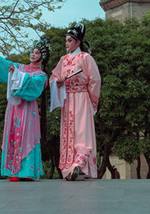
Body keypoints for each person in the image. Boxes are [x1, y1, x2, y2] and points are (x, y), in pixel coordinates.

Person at [0, 37, 50, 181]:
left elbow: (34, 86)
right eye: (32, 52)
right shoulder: (20, 67)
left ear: (43, 57)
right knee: (12, 133)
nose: (33, 54)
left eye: (37, 53)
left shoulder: (41, 76)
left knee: (27, 136)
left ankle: (27, 171)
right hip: (14, 108)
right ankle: (14, 172)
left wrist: (16, 74)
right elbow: (3, 64)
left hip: (28, 109)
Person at [50, 23, 101, 181]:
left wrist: (93, 102)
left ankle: (81, 166)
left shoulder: (86, 58)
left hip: (81, 98)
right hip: (67, 99)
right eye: (66, 40)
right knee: (69, 133)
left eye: (70, 40)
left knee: (81, 132)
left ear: (78, 42)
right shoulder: (63, 60)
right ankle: (70, 167)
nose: (66, 43)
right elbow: (53, 77)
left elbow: (95, 80)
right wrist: (57, 82)